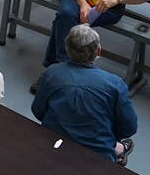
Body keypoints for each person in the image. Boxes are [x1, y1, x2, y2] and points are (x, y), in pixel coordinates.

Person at [32, 24, 138, 164]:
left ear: (67, 48)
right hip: (97, 153)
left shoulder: (52, 73)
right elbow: (129, 127)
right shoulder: (115, 84)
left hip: (53, 142)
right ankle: (117, 148)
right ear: (98, 51)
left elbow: (38, 110)